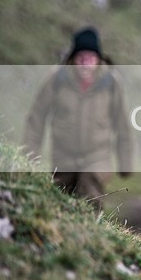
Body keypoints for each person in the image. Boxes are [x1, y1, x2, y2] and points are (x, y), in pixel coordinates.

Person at [23, 26, 133, 207]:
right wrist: (29, 154)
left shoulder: (111, 83)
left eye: (90, 58)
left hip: (97, 157)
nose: (85, 64)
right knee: (58, 201)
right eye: (81, 58)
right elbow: (36, 117)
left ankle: (92, 233)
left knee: (90, 196)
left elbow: (123, 125)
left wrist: (125, 163)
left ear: (98, 60)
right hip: (63, 157)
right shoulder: (57, 79)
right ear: (73, 59)